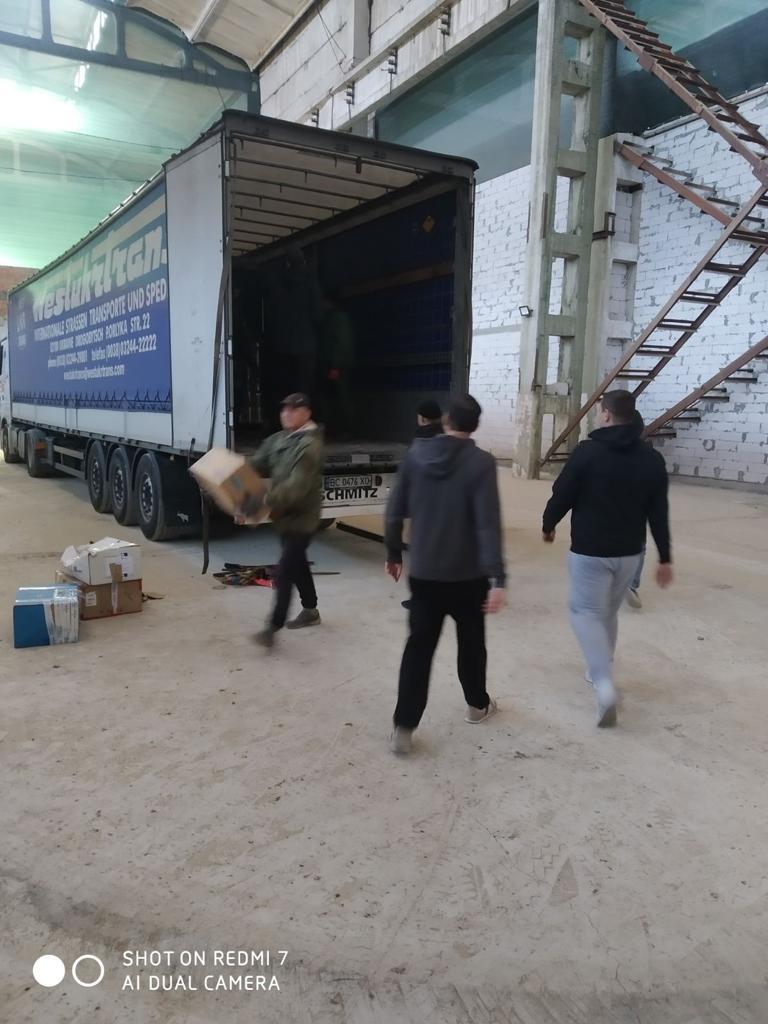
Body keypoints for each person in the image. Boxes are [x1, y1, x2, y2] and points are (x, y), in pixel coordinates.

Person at [541, 389, 673, 727]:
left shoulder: (588, 453)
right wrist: (664, 557)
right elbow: (659, 512)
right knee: (608, 613)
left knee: (584, 613)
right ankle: (599, 668)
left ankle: (604, 685)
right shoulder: (651, 459)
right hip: (629, 553)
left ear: (607, 415)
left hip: (590, 551)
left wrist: (548, 524)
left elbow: (563, 493)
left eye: (600, 411)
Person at [385, 394, 506, 755]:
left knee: (418, 649)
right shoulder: (482, 463)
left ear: (447, 420)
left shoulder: (415, 454)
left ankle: (404, 727)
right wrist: (498, 578)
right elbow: (487, 524)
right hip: (469, 576)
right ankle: (477, 705)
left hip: (425, 573)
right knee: (471, 643)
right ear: (475, 426)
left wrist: (393, 552)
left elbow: (394, 510)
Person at [247, 393, 325, 648]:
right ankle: (311, 610)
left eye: (294, 409)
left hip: (303, 518)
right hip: (284, 516)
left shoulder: (310, 446)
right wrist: (225, 476)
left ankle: (272, 627)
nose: (287, 414)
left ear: (307, 413)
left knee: (285, 571)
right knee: (298, 563)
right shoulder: (278, 439)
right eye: (284, 409)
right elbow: (255, 464)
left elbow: (295, 488)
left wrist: (263, 503)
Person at [401, 400, 444, 611]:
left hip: (422, 506)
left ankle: (421, 597)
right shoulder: (447, 438)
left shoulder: (419, 442)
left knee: (420, 554)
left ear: (422, 418)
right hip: (443, 505)